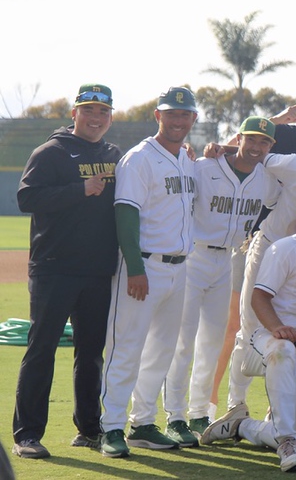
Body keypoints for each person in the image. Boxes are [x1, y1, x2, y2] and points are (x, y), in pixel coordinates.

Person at [200, 186, 296, 473]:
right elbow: (259, 297)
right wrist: (276, 327)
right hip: (268, 337)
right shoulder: (286, 248)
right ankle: (285, 443)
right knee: (283, 350)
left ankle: (242, 425)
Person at [12, 84, 121, 459]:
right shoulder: (51, 152)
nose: (95, 118)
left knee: (91, 352)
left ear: (111, 116)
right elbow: (27, 198)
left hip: (97, 270)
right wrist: (80, 190)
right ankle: (27, 434)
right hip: (54, 268)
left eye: (103, 112)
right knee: (41, 349)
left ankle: (89, 429)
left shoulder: (113, 154)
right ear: (74, 113)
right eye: (88, 110)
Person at [162, 117, 275, 445]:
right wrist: (206, 152)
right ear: (238, 137)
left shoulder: (266, 179)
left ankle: (200, 413)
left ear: (271, 147)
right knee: (183, 341)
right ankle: (175, 416)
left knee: (212, 341)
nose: (255, 147)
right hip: (194, 257)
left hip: (227, 259)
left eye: (263, 142)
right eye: (250, 139)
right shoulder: (205, 167)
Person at [99, 87, 198, 457]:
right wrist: (136, 268)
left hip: (179, 267)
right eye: (171, 113)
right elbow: (126, 214)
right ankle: (110, 427)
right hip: (143, 265)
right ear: (158, 116)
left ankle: (142, 423)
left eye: (184, 114)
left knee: (161, 350)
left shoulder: (188, 158)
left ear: (193, 119)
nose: (177, 120)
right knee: (126, 346)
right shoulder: (139, 158)